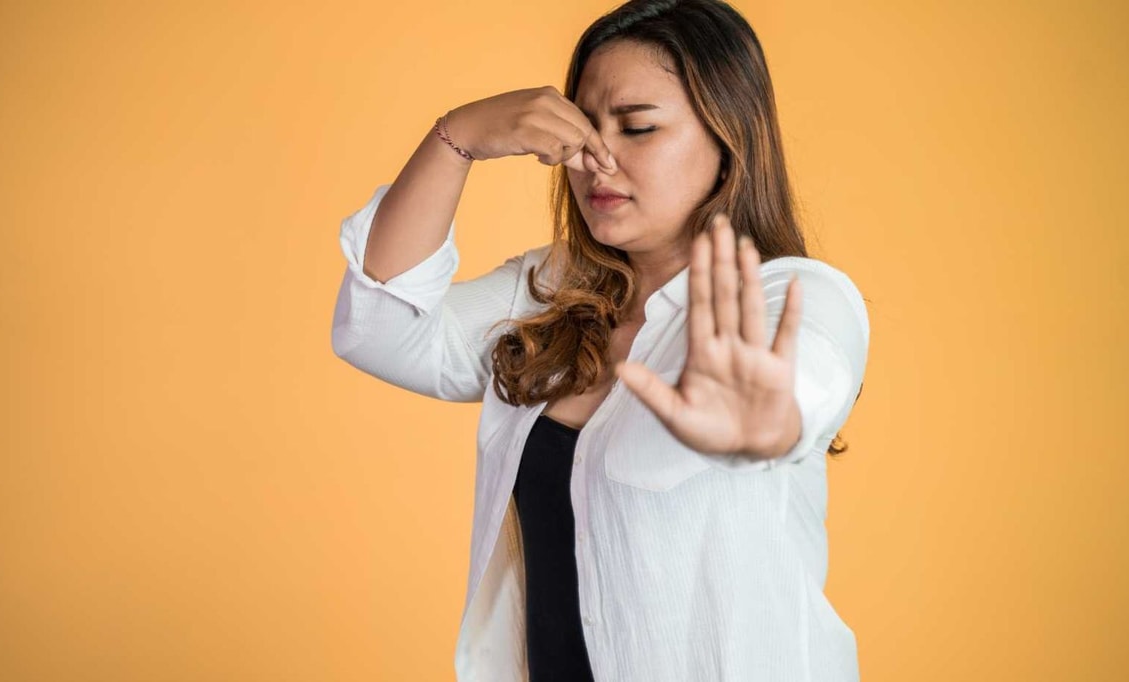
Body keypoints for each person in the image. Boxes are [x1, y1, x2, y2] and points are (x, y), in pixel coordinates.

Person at [330, 0, 870, 679]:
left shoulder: (791, 295)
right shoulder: (548, 290)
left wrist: (765, 422)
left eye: (638, 128)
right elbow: (378, 330)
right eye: (583, 129)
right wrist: (456, 137)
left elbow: (805, 373)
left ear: (728, 140)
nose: (595, 159)